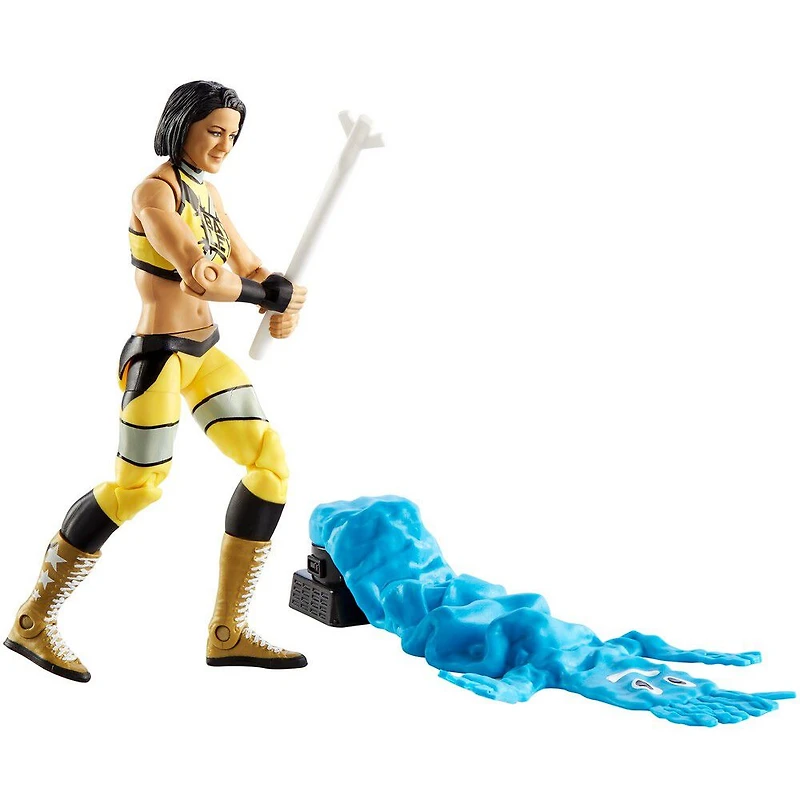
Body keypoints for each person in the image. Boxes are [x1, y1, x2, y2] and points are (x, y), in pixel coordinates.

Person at [5, 80, 308, 682]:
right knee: (137, 486)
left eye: (233, 135)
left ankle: (228, 632)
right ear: (182, 126)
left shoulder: (208, 193)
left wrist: (285, 297)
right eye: (214, 131)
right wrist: (262, 295)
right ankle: (33, 620)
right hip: (160, 356)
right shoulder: (154, 192)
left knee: (269, 467)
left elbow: (248, 265)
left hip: (206, 353)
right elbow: (200, 275)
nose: (224, 145)